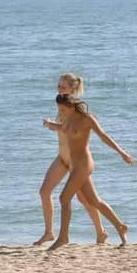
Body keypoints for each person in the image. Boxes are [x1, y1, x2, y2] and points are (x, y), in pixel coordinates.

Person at [44, 94, 135, 250]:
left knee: (64, 198)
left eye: (63, 109)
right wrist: (51, 124)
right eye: (59, 109)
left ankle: (63, 237)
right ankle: (120, 226)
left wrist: (122, 153)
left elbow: (104, 136)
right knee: (94, 201)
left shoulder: (87, 119)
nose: (61, 112)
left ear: (71, 106)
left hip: (84, 164)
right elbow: (63, 129)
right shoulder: (67, 118)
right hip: (74, 165)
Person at [32, 73, 109, 246]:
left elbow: (74, 129)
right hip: (62, 157)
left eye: (63, 86)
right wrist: (54, 125)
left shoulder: (75, 108)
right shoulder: (61, 104)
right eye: (59, 85)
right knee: (44, 191)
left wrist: (54, 126)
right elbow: (64, 129)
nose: (59, 88)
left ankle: (101, 231)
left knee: (85, 199)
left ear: (72, 89)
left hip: (76, 161)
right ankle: (49, 233)